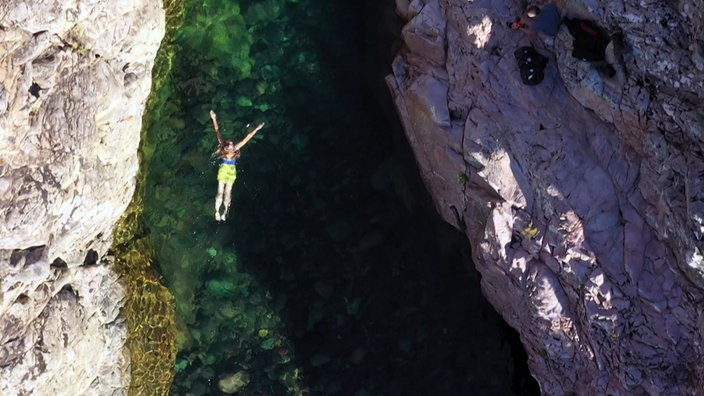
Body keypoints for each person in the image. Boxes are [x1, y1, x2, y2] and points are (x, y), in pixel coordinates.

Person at [210, 110, 264, 221]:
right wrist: (214, 118)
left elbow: (247, 137)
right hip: (227, 170)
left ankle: (222, 212)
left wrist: (257, 129)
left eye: (230, 143)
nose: (230, 143)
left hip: (228, 170)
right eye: (229, 143)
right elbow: (217, 131)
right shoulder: (227, 147)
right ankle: (219, 212)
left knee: (226, 191)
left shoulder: (230, 148)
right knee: (222, 191)